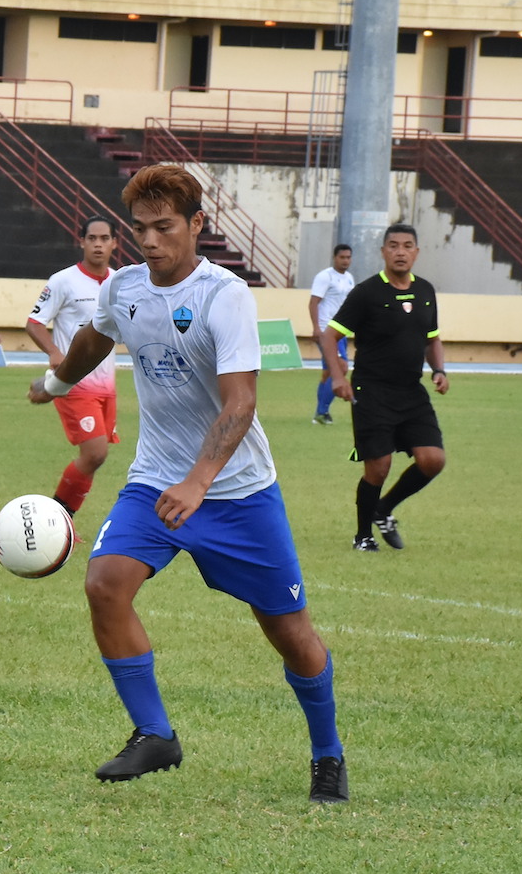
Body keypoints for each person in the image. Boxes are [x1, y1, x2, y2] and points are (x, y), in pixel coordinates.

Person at [29, 164, 346, 804]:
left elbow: (241, 404)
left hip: (239, 493)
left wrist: (201, 482)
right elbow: (94, 340)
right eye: (140, 229)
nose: (148, 241)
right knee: (104, 584)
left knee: (291, 635)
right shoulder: (123, 289)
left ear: (197, 224)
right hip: (154, 481)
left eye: (164, 227)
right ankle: (155, 734)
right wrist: (57, 383)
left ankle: (328, 754)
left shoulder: (224, 295)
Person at [320, 224, 448, 553]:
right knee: (379, 466)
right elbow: (330, 335)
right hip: (371, 390)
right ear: (383, 252)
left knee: (432, 460)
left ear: (416, 252)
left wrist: (439, 370)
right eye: (393, 246)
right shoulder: (366, 293)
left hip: (411, 391)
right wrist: (337, 377)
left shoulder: (425, 291)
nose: (401, 251)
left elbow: (432, 338)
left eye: (407, 246)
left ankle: (383, 509)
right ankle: (363, 534)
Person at [25, 216, 118, 513]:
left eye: (105, 238)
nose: (98, 244)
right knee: (95, 453)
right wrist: (53, 352)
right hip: (74, 382)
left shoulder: (119, 282)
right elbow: (34, 323)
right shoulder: (63, 281)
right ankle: (58, 516)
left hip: (107, 385)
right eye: (92, 238)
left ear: (114, 243)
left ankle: (64, 521)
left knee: (94, 458)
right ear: (82, 242)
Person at [308, 243, 355, 425]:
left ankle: (320, 414)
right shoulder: (324, 277)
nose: (345, 261)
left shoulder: (349, 278)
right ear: (335, 258)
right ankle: (322, 412)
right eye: (342, 257)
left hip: (340, 331)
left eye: (348, 257)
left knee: (328, 373)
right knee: (341, 367)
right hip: (327, 331)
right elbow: (313, 303)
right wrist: (316, 328)